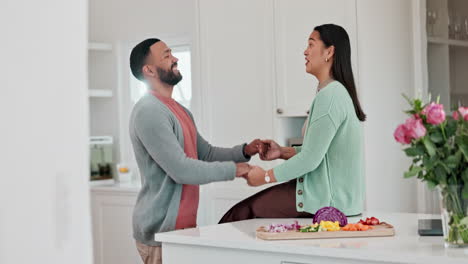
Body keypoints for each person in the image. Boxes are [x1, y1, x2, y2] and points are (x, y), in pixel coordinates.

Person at [129, 38, 264, 264]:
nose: (175, 58)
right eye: (166, 55)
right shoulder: (149, 111)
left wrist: (245, 150)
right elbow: (182, 170)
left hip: (181, 231)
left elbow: (206, 154)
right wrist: (238, 170)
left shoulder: (178, 109)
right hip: (160, 233)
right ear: (149, 70)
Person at [219, 24, 366, 224]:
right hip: (331, 200)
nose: (305, 51)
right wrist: (282, 152)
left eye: (311, 44)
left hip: (325, 202)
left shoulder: (331, 96)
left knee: (240, 216)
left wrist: (265, 177)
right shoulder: (333, 93)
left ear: (329, 52)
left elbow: (310, 160)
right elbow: (320, 153)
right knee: (241, 216)